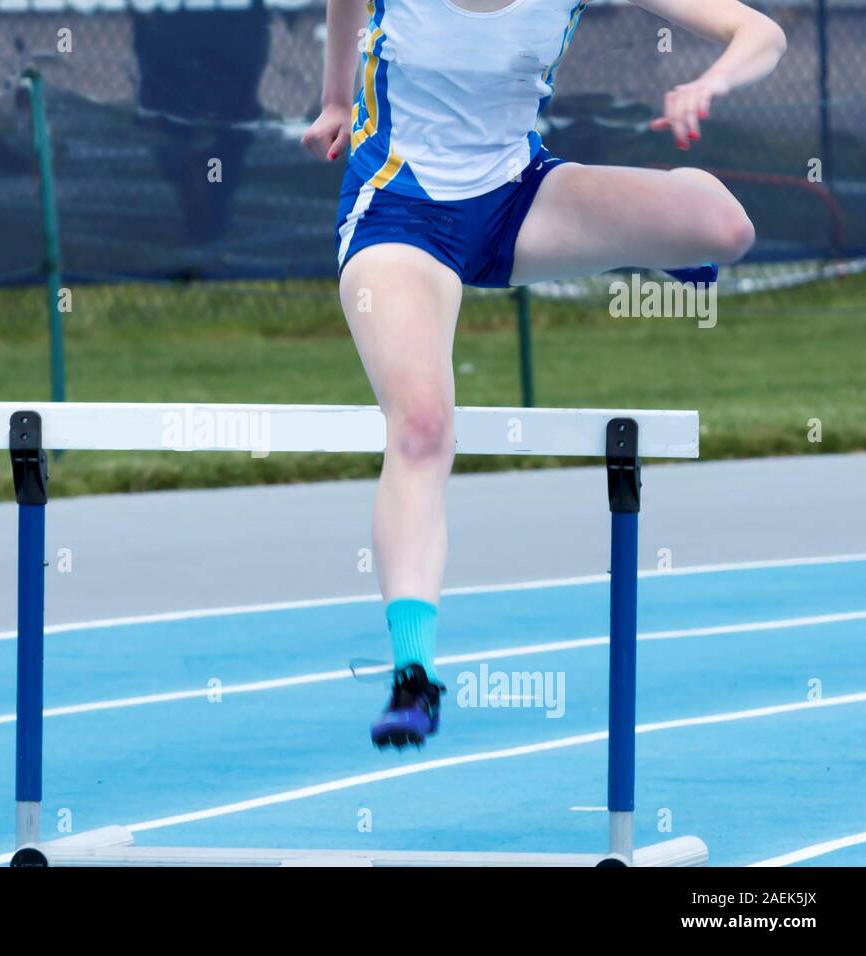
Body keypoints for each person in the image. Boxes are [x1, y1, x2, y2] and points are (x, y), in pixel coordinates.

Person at [301, 0, 786, 749]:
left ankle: (655, 234)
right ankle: (414, 674)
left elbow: (761, 31)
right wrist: (336, 99)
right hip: (398, 214)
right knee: (424, 425)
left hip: (519, 197)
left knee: (726, 228)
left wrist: (709, 84)